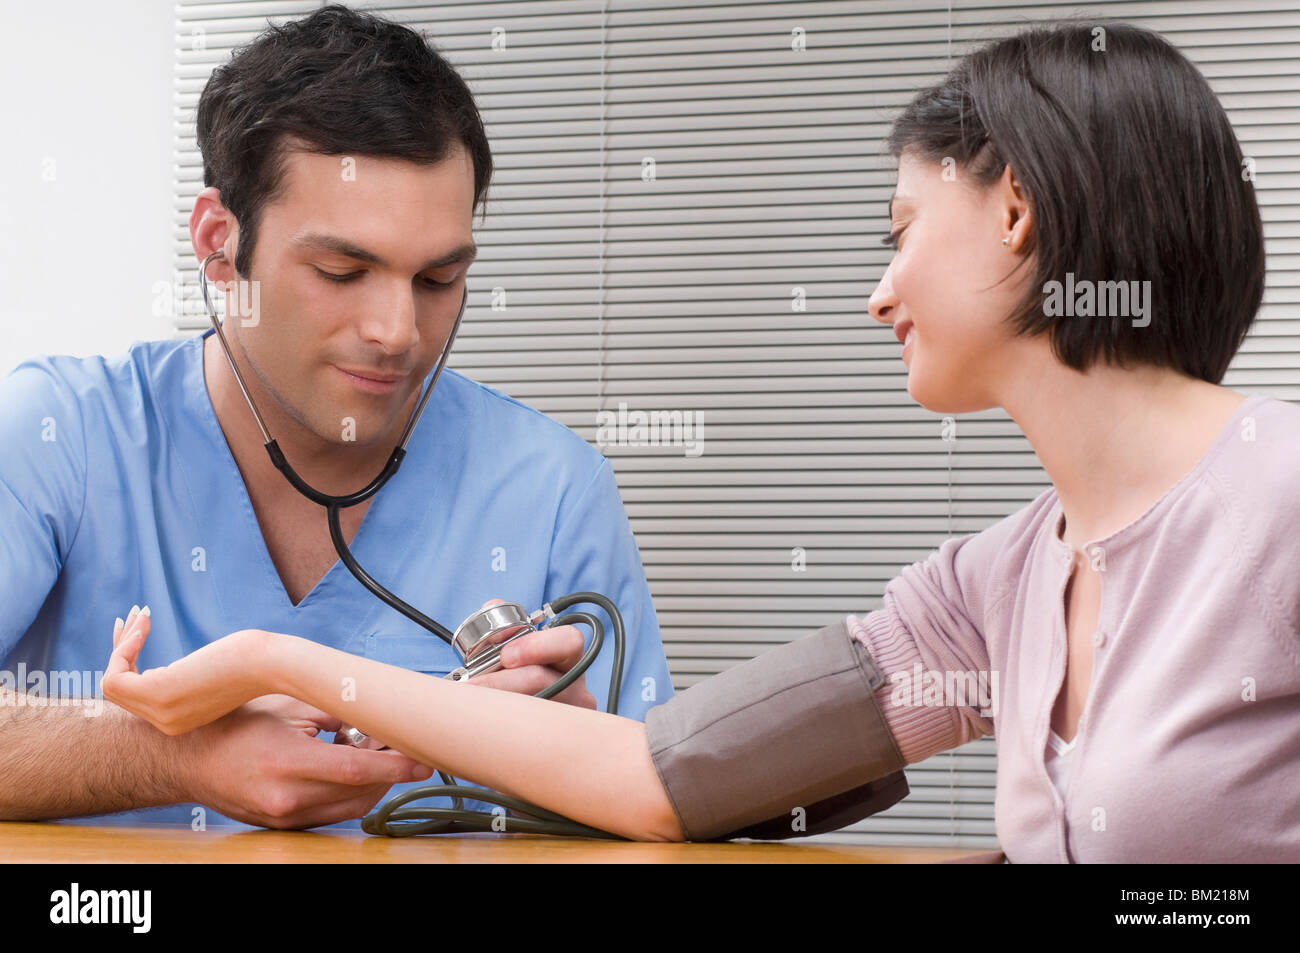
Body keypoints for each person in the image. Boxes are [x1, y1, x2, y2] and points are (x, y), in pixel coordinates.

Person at [105, 19, 1300, 860]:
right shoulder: (992, 588)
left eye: (899, 230)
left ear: (1014, 209)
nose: (877, 295)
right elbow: (665, 776)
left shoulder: (1280, 498)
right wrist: (282, 658)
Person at [0, 5, 673, 831]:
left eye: (438, 280)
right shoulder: (58, 433)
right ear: (219, 245)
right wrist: (166, 756)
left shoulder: (555, 488)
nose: (398, 332)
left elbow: (668, 802)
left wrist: (567, 773)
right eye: (342, 269)